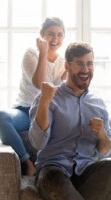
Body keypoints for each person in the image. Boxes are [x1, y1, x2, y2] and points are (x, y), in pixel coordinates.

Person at [28, 42, 111, 200]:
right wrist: (44, 102)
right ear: (67, 65)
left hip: (86, 171)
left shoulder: (98, 103)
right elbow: (38, 143)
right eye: (79, 63)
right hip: (53, 171)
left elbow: (105, 150)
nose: (85, 69)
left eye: (89, 64)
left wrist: (102, 135)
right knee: (52, 177)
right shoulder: (48, 97)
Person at [0, 17, 67, 175]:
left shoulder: (63, 61)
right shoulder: (30, 54)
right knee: (1, 117)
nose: (55, 39)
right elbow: (40, 84)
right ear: (42, 35)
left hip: (46, 113)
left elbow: (60, 91)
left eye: (59, 35)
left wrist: (67, 72)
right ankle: (27, 163)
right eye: (50, 34)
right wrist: (43, 53)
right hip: (25, 110)